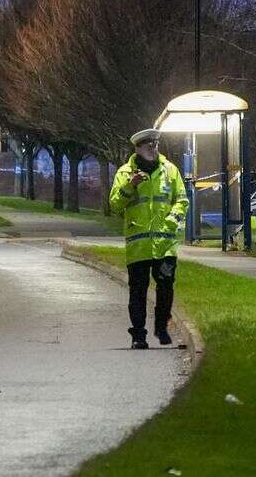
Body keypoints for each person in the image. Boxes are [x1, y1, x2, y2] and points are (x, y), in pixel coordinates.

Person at [109, 128, 188, 350]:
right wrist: (130, 186)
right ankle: (138, 335)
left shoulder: (170, 171)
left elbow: (182, 200)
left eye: (155, 143)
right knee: (138, 292)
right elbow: (115, 205)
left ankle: (161, 326)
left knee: (165, 287)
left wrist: (172, 220)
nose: (153, 148)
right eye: (148, 144)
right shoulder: (125, 173)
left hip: (165, 244)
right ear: (137, 148)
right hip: (139, 245)